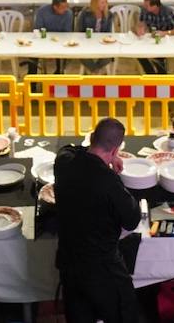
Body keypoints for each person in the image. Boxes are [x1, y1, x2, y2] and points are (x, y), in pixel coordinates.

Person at [53, 118, 142, 323]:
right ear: (116, 149)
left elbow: (69, 149)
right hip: (102, 270)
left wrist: (109, 157)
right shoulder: (109, 182)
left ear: (92, 138)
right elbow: (132, 220)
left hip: (69, 266)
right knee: (125, 314)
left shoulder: (63, 161)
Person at [135, 0, 174, 73]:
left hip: (167, 41)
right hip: (152, 39)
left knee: (159, 56)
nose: (144, 6)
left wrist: (165, 33)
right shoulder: (144, 10)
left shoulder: (168, 12)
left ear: (155, 6)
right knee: (138, 54)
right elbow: (141, 23)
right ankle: (151, 74)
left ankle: (162, 75)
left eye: (147, 5)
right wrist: (140, 28)